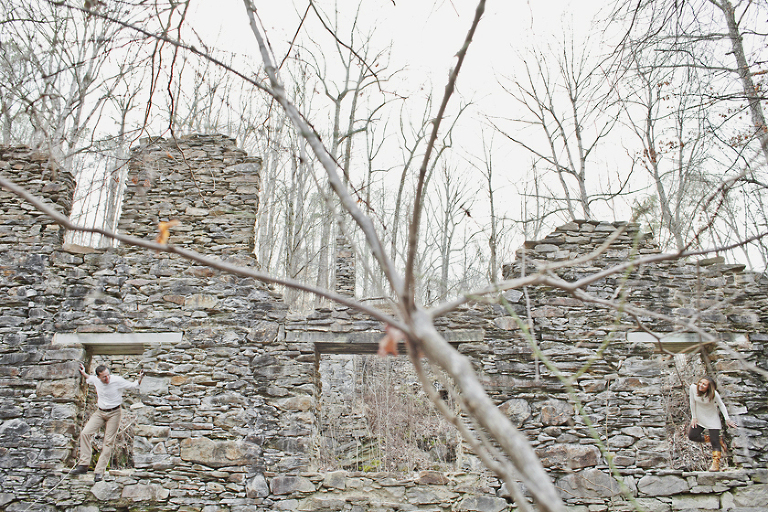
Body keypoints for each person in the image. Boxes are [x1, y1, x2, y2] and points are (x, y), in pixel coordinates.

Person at [71, 363, 144, 482]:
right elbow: (89, 378)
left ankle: (99, 471)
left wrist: (140, 378)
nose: (107, 378)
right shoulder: (96, 380)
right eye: (104, 377)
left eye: (108, 375)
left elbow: (133, 386)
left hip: (114, 412)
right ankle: (83, 465)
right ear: (99, 377)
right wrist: (83, 373)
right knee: (85, 433)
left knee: (108, 441)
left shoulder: (117, 380)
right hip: (100, 412)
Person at [688, 375, 737, 472]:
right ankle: (717, 439)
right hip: (699, 418)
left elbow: (721, 405)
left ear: (709, 387)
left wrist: (727, 419)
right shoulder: (693, 388)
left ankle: (715, 464)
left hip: (712, 418)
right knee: (692, 436)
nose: (701, 385)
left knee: (715, 443)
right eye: (700, 382)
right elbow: (692, 403)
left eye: (704, 384)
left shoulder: (714, 394)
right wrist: (694, 417)